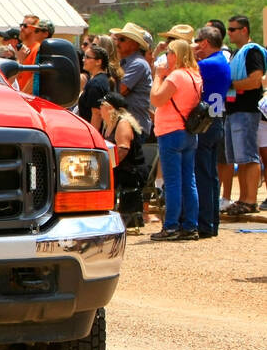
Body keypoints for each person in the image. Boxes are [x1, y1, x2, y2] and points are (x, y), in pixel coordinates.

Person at [149, 39, 202, 241]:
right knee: (189, 181)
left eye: (170, 52)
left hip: (171, 132)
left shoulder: (177, 76)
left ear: (177, 55)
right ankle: (190, 225)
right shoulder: (195, 75)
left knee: (172, 182)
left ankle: (171, 226)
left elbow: (156, 99)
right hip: (188, 133)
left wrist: (157, 77)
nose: (167, 56)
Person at [222, 14, 265, 215]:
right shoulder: (237, 53)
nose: (229, 33)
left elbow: (255, 81)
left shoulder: (252, 52)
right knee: (241, 157)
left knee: (249, 156)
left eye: (232, 29)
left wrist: (229, 84)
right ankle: (243, 199)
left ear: (244, 30)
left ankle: (250, 200)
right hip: (234, 111)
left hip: (247, 110)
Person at [192, 25, 231, 237]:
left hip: (206, 123)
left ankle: (205, 224)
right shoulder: (221, 61)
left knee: (204, 175)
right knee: (211, 175)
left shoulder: (207, 64)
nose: (196, 45)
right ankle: (212, 223)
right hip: (217, 119)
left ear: (205, 43)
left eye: (198, 41)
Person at [98, 91, 145, 229]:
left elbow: (123, 150)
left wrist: (107, 168)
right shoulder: (108, 125)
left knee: (102, 178)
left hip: (131, 171)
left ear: (109, 108)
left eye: (102, 105)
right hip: (121, 168)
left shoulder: (122, 123)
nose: (99, 108)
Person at [109, 22, 153, 139]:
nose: (117, 43)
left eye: (122, 39)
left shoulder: (138, 64)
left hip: (135, 124)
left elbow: (121, 90)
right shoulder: (126, 63)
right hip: (128, 123)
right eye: (117, 39)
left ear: (135, 44)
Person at [78, 43, 111, 128]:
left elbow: (97, 115)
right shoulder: (101, 79)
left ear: (98, 62)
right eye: (84, 57)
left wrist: (93, 138)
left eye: (87, 57)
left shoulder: (96, 84)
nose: (83, 60)